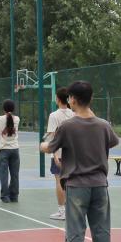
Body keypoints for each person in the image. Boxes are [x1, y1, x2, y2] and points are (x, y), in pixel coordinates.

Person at [41, 80, 119, 242]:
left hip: (77, 185)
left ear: (72, 100)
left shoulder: (67, 126)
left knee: (75, 230)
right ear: (91, 98)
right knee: (101, 229)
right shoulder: (103, 125)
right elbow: (113, 141)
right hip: (100, 184)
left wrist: (42, 145)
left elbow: (50, 147)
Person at [45, 88, 74, 220]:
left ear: (57, 99)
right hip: (72, 154)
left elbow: (52, 137)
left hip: (59, 153)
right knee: (71, 182)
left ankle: (62, 211)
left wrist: (55, 155)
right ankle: (71, 210)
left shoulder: (54, 115)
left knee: (59, 182)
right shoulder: (74, 114)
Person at [0, 99, 21, 204]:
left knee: (4, 174)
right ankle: (14, 196)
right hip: (15, 149)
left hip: (3, 150)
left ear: (3, 109)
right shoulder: (17, 119)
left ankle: (5, 196)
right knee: (15, 175)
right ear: (13, 108)